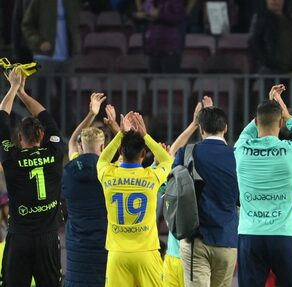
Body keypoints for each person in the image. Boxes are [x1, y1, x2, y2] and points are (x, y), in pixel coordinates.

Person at [234, 84, 292, 287]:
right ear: (281, 123)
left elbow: (249, 130)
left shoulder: (241, 149)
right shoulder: (291, 150)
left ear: (256, 122)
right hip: (284, 235)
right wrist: (287, 114)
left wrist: (267, 107)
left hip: (250, 235)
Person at [0, 69, 65, 286]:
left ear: (19, 138)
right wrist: (23, 94)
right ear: (43, 135)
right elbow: (45, 115)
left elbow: (2, 119)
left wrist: (12, 88)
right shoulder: (55, 152)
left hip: (19, 237)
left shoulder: (11, 158)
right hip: (47, 239)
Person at [97, 112, 173, 287]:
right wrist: (145, 135)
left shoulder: (108, 174)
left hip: (117, 255)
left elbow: (102, 159)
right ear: (144, 153)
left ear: (121, 152)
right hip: (147, 254)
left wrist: (120, 134)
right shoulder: (151, 176)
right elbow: (167, 159)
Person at [172, 96, 239, 287]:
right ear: (225, 128)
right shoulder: (238, 157)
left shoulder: (186, 153)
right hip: (227, 240)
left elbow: (169, 163)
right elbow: (242, 198)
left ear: (201, 130)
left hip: (195, 240)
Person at [62, 93, 109, 287]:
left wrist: (91, 114)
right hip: (103, 242)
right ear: (103, 146)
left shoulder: (72, 168)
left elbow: (71, 141)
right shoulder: (109, 172)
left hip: (76, 245)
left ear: (81, 147)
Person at [22, 0, 80, 104]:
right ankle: (38, 120)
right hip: (44, 57)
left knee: (66, 100)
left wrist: (75, 45)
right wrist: (39, 42)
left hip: (66, 58)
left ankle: (61, 121)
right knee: (41, 98)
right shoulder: (39, 2)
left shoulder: (71, 2)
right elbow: (27, 25)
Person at [248, 0, 292, 74]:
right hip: (270, 72)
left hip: (288, 72)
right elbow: (254, 43)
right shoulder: (260, 18)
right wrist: (268, 62)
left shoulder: (289, 20)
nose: (274, 1)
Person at [134, 0, 186, 73]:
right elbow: (142, 14)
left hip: (170, 50)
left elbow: (179, 17)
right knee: (153, 81)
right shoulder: (149, 2)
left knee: (168, 81)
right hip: (153, 49)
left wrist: (160, 14)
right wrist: (138, 16)